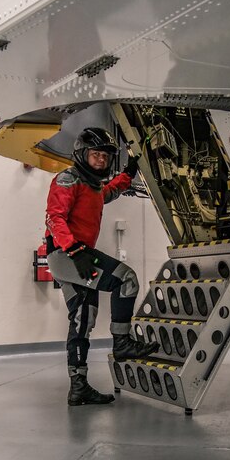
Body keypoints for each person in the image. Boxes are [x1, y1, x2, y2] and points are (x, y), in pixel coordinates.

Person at [45, 126, 159, 407]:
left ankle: (78, 387)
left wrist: (129, 173)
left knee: (83, 319)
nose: (101, 161)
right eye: (96, 155)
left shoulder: (92, 186)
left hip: (75, 255)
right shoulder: (68, 179)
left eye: (106, 157)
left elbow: (108, 191)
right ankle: (122, 344)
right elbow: (54, 218)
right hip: (67, 254)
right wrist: (73, 249)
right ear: (82, 154)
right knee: (126, 279)